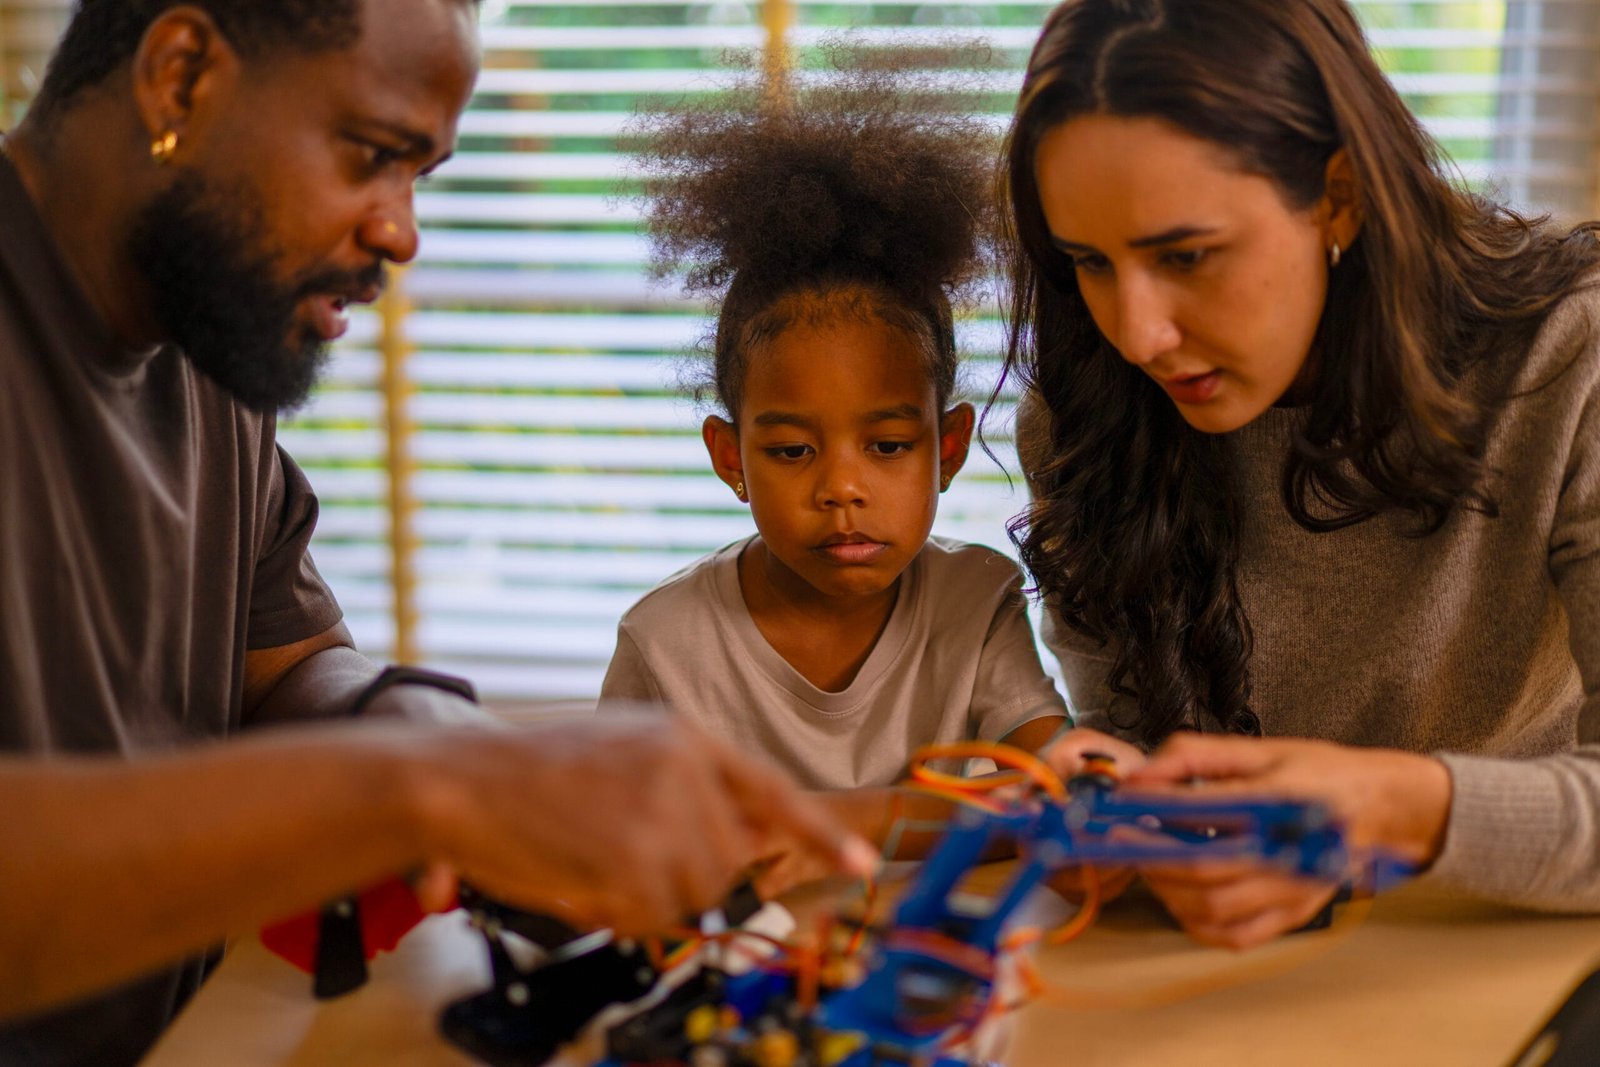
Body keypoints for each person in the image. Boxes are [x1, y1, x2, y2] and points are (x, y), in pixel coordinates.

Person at [0, 1, 871, 1062]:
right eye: (371, 156)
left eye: (420, 176)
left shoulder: (205, 341)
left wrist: (458, 747)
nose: (400, 233)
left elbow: (279, 674)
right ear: (181, 78)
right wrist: (433, 789)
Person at [998, 0, 1600, 950]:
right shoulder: (1090, 413)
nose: (1138, 332)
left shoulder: (1570, 360)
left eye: (1186, 255)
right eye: (1089, 263)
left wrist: (1394, 810)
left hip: (1512, 954)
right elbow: (1129, 743)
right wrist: (1118, 817)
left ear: (1341, 196)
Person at [598, 47, 1068, 887]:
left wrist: (823, 824)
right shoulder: (665, 645)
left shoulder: (977, 605)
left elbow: (1058, 793)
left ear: (949, 448)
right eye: (790, 451)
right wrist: (950, 818)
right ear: (729, 457)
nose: (841, 488)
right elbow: (629, 839)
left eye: (887, 446)